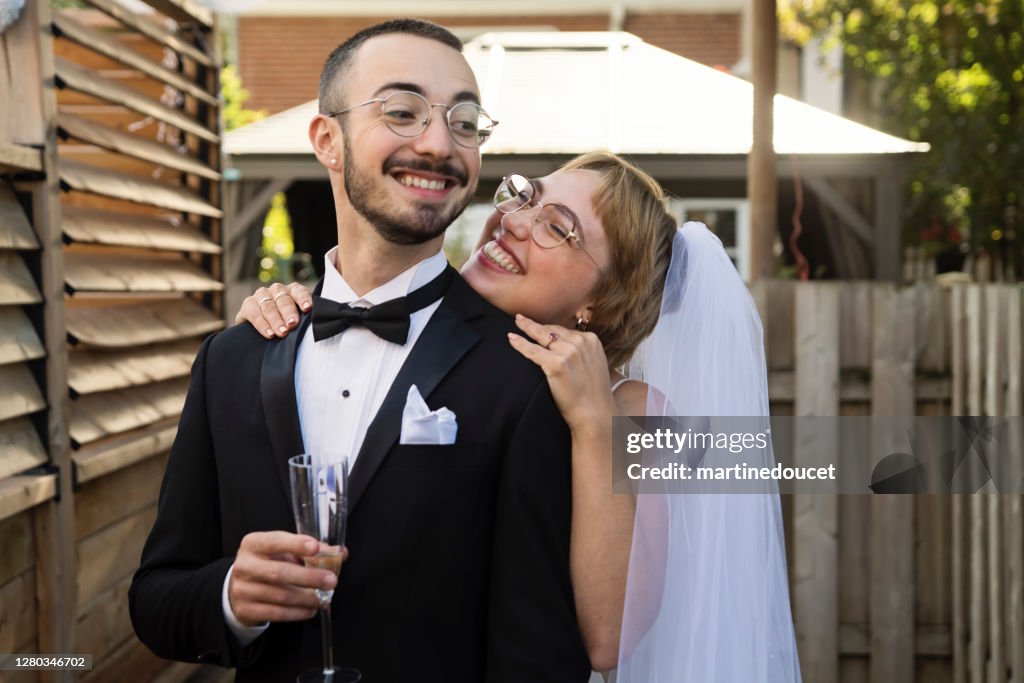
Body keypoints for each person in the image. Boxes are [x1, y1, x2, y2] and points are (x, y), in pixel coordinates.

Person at [129, 19, 594, 682]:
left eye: (465, 122)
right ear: (328, 140)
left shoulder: (523, 375)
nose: (439, 144)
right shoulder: (230, 360)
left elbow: (540, 654)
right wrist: (232, 595)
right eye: (402, 112)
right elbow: (154, 601)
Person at [239, 157, 803, 679]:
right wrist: (287, 327)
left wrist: (591, 421)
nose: (513, 220)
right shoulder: (430, 335)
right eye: (525, 196)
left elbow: (610, 639)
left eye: (557, 227)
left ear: (600, 302)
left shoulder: (636, 411)